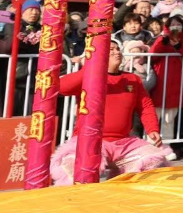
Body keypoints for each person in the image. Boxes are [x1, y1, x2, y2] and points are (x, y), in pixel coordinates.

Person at [50, 41, 174, 184]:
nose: (117, 52)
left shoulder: (132, 79)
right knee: (76, 168)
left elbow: (145, 106)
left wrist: (152, 129)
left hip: (124, 143)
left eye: (117, 49)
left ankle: (121, 188)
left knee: (155, 160)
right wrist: (91, 67)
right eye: (111, 50)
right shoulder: (89, 76)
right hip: (89, 140)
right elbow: (63, 87)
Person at [150, 14, 183, 141]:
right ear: (167, 27)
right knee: (155, 114)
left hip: (177, 80)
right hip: (161, 79)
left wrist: (178, 46)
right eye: (172, 24)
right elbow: (152, 54)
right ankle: (150, 144)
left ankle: (167, 143)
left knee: (169, 117)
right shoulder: (162, 38)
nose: (175, 27)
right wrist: (162, 41)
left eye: (178, 24)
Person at [13, 0, 43, 115]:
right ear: (22, 12)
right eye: (30, 10)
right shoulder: (16, 27)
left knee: (31, 110)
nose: (34, 13)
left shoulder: (43, 29)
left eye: (36, 11)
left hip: (36, 76)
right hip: (18, 75)